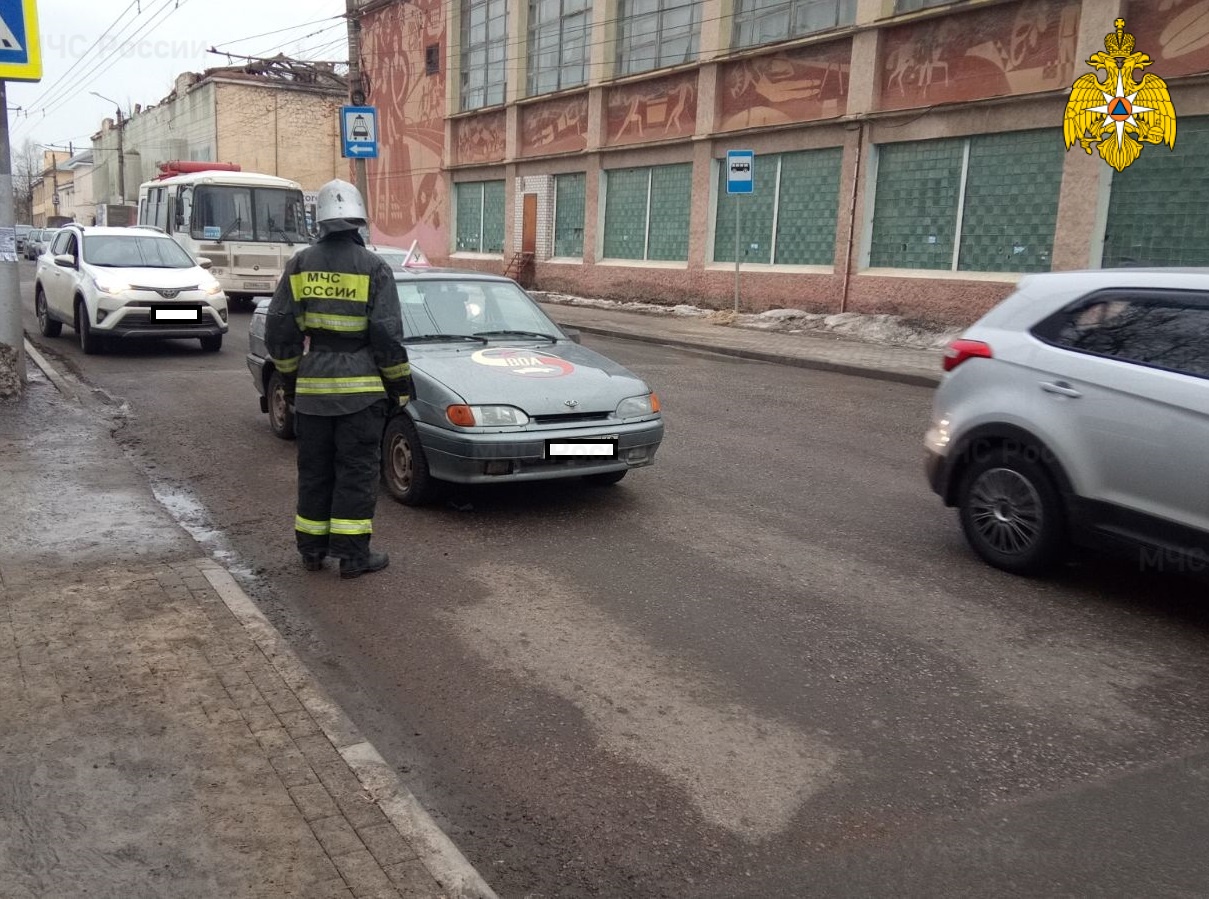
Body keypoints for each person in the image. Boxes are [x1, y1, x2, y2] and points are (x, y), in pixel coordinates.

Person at [265, 179, 411, 579]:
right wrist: (399, 386)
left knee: (314, 472)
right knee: (356, 474)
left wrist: (293, 379)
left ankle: (311, 552)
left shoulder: (299, 263)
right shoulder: (375, 267)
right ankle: (352, 558)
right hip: (361, 396)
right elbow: (385, 334)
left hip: (313, 393)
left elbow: (279, 331)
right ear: (358, 221)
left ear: (321, 220)